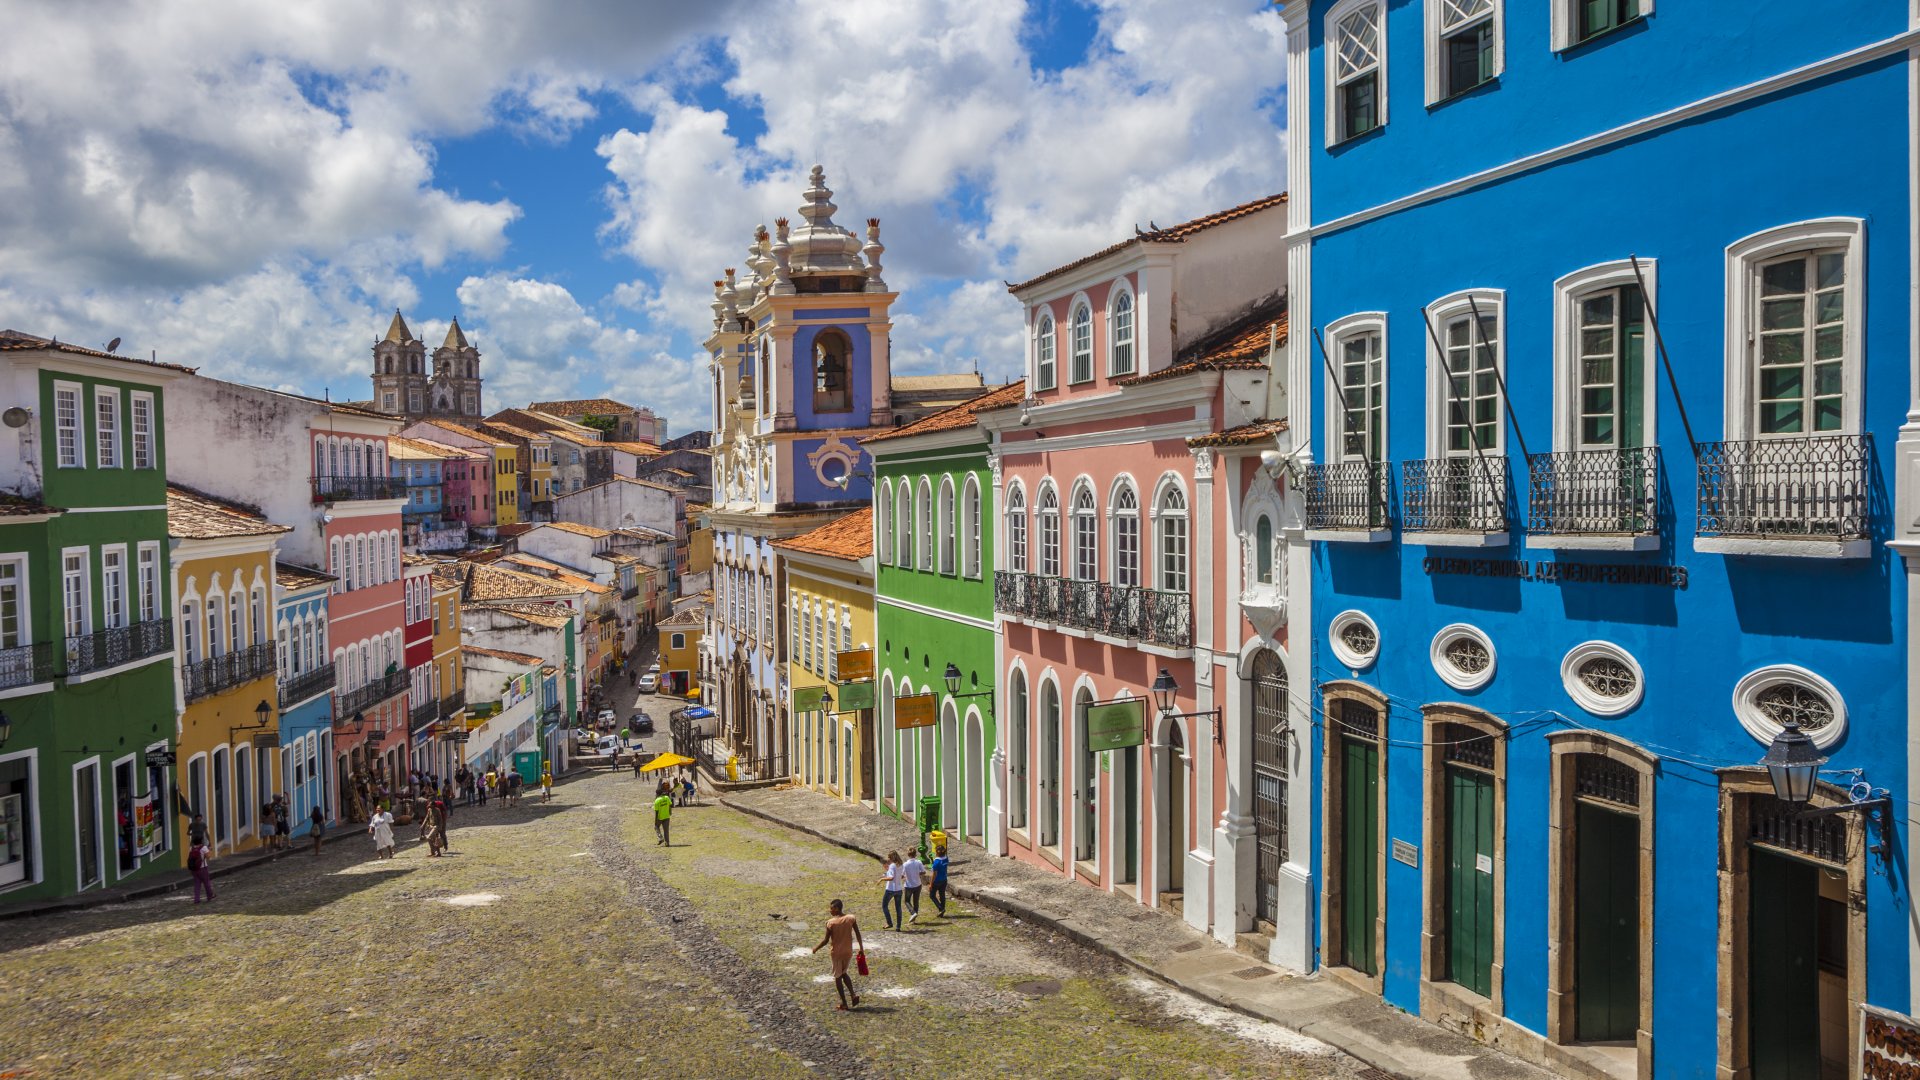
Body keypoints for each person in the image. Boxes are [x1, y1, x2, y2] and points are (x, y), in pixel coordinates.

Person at [812, 898, 864, 1010]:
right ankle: (853, 995)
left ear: (836, 908)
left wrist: (816, 948)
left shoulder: (831, 923)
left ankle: (844, 1003)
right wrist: (861, 948)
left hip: (836, 953)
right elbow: (858, 934)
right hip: (848, 952)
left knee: (838, 977)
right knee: (844, 973)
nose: (830, 910)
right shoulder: (851, 918)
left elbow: (826, 940)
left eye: (831, 908)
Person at [879, 852, 904, 930]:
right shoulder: (900, 864)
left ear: (891, 858)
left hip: (891, 889)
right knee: (898, 908)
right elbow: (901, 876)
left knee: (884, 905)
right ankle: (898, 926)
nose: (888, 859)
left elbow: (891, 877)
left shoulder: (892, 866)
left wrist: (882, 879)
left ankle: (889, 923)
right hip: (899, 889)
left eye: (889, 857)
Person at [900, 850, 926, 924]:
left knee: (907, 901)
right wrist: (918, 873)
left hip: (909, 886)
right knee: (916, 901)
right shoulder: (919, 862)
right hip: (918, 884)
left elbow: (902, 875)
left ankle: (912, 913)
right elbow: (923, 872)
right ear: (915, 854)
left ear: (908, 854)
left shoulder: (905, 864)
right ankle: (914, 920)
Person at [187, 838, 215, 904]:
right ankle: (210, 896)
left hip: (194, 869)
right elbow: (208, 857)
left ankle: (196, 899)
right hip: (203, 868)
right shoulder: (204, 848)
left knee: (197, 884)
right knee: (206, 883)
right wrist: (209, 851)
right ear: (201, 841)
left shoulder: (192, 848)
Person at [928, 845, 950, 918]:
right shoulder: (946, 859)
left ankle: (941, 908)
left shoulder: (936, 862)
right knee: (942, 895)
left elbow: (934, 874)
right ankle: (942, 912)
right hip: (944, 879)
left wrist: (931, 884)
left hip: (937, 881)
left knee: (932, 895)